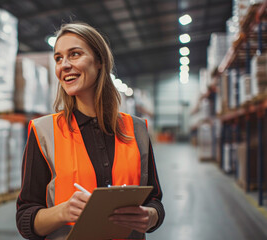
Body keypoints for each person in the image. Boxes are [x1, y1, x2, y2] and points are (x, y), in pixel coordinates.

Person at [16, 22, 165, 240]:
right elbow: (24, 219)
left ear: (99, 62)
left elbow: (155, 201)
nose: (64, 65)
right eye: (58, 58)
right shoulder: (43, 131)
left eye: (74, 54)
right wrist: (62, 212)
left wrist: (149, 217)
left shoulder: (137, 130)